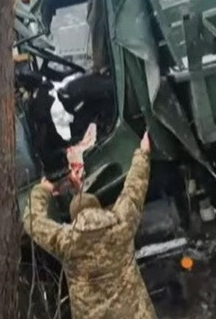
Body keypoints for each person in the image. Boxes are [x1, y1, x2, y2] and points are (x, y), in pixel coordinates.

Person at [23, 133, 157, 319]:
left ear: (74, 218)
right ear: (98, 208)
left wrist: (43, 189)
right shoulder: (120, 224)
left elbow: (33, 221)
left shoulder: (67, 242)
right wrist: (143, 152)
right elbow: (134, 188)